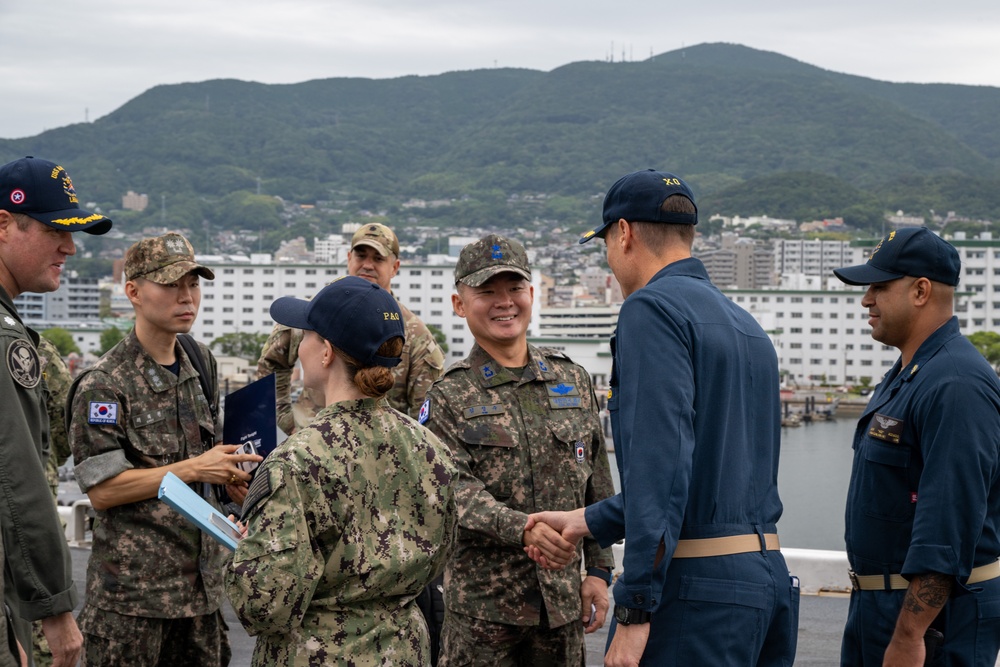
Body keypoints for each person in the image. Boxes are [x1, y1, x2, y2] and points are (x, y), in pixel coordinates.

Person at [527, 170, 798, 665]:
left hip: (693, 594)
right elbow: (705, 483)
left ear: (624, 233)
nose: (610, 259)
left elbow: (663, 475)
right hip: (766, 582)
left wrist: (634, 610)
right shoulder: (748, 325)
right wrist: (586, 519)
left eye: (606, 242)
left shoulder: (651, 310)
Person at [226, 276, 458, 665]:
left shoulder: (298, 460)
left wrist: (250, 549)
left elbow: (263, 603)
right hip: (405, 651)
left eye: (306, 336)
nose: (300, 346)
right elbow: (438, 556)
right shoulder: (432, 450)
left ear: (326, 352)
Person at [68, 233, 261, 666]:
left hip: (201, 598)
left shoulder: (200, 364)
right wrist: (195, 469)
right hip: (133, 603)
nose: (186, 297)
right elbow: (103, 491)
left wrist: (229, 479)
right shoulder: (105, 384)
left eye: (193, 284)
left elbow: (206, 458)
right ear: (133, 291)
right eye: (172, 285)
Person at [423, 234, 615, 666]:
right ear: (459, 304)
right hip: (483, 616)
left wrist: (600, 572)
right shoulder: (449, 395)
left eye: (514, 289)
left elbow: (597, 484)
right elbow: (453, 492)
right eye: (487, 291)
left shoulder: (573, 380)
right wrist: (522, 529)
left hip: (562, 609)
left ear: (531, 294)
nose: (504, 302)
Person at [832, 226, 1000, 666]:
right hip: (881, 610)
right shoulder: (910, 372)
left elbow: (948, 524)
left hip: (932, 623)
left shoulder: (955, 383)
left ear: (921, 291)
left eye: (879, 287)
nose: (867, 299)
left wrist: (909, 636)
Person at [0, 155, 113, 667]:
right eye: (53, 231)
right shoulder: (7, 338)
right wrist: (55, 607)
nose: (69, 247)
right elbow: (17, 479)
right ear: (5, 224)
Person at [258, 222, 445, 432]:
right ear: (349, 258)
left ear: (395, 267)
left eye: (378, 258)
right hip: (311, 442)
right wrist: (288, 423)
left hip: (378, 451)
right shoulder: (316, 314)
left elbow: (426, 412)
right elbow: (271, 364)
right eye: (361, 256)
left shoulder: (414, 333)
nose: (367, 265)